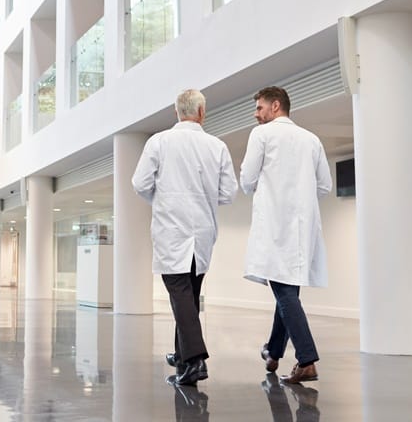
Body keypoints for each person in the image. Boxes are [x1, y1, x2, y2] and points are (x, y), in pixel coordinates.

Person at [132, 89, 238, 386]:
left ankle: (194, 360)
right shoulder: (217, 146)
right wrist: (204, 198)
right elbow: (228, 193)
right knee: (188, 295)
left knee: (180, 295)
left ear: (176, 112)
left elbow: (140, 183)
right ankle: (182, 355)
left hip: (171, 230)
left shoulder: (159, 142)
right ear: (202, 112)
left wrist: (162, 199)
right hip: (202, 233)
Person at [240, 86, 331, 384]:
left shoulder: (262, 135)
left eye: (259, 108)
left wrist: (266, 189)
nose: (256, 114)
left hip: (275, 225)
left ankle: (307, 360)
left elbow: (247, 179)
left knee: (285, 294)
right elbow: (324, 186)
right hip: (302, 228)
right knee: (287, 292)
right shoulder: (311, 139)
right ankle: (273, 351)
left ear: (276, 106)